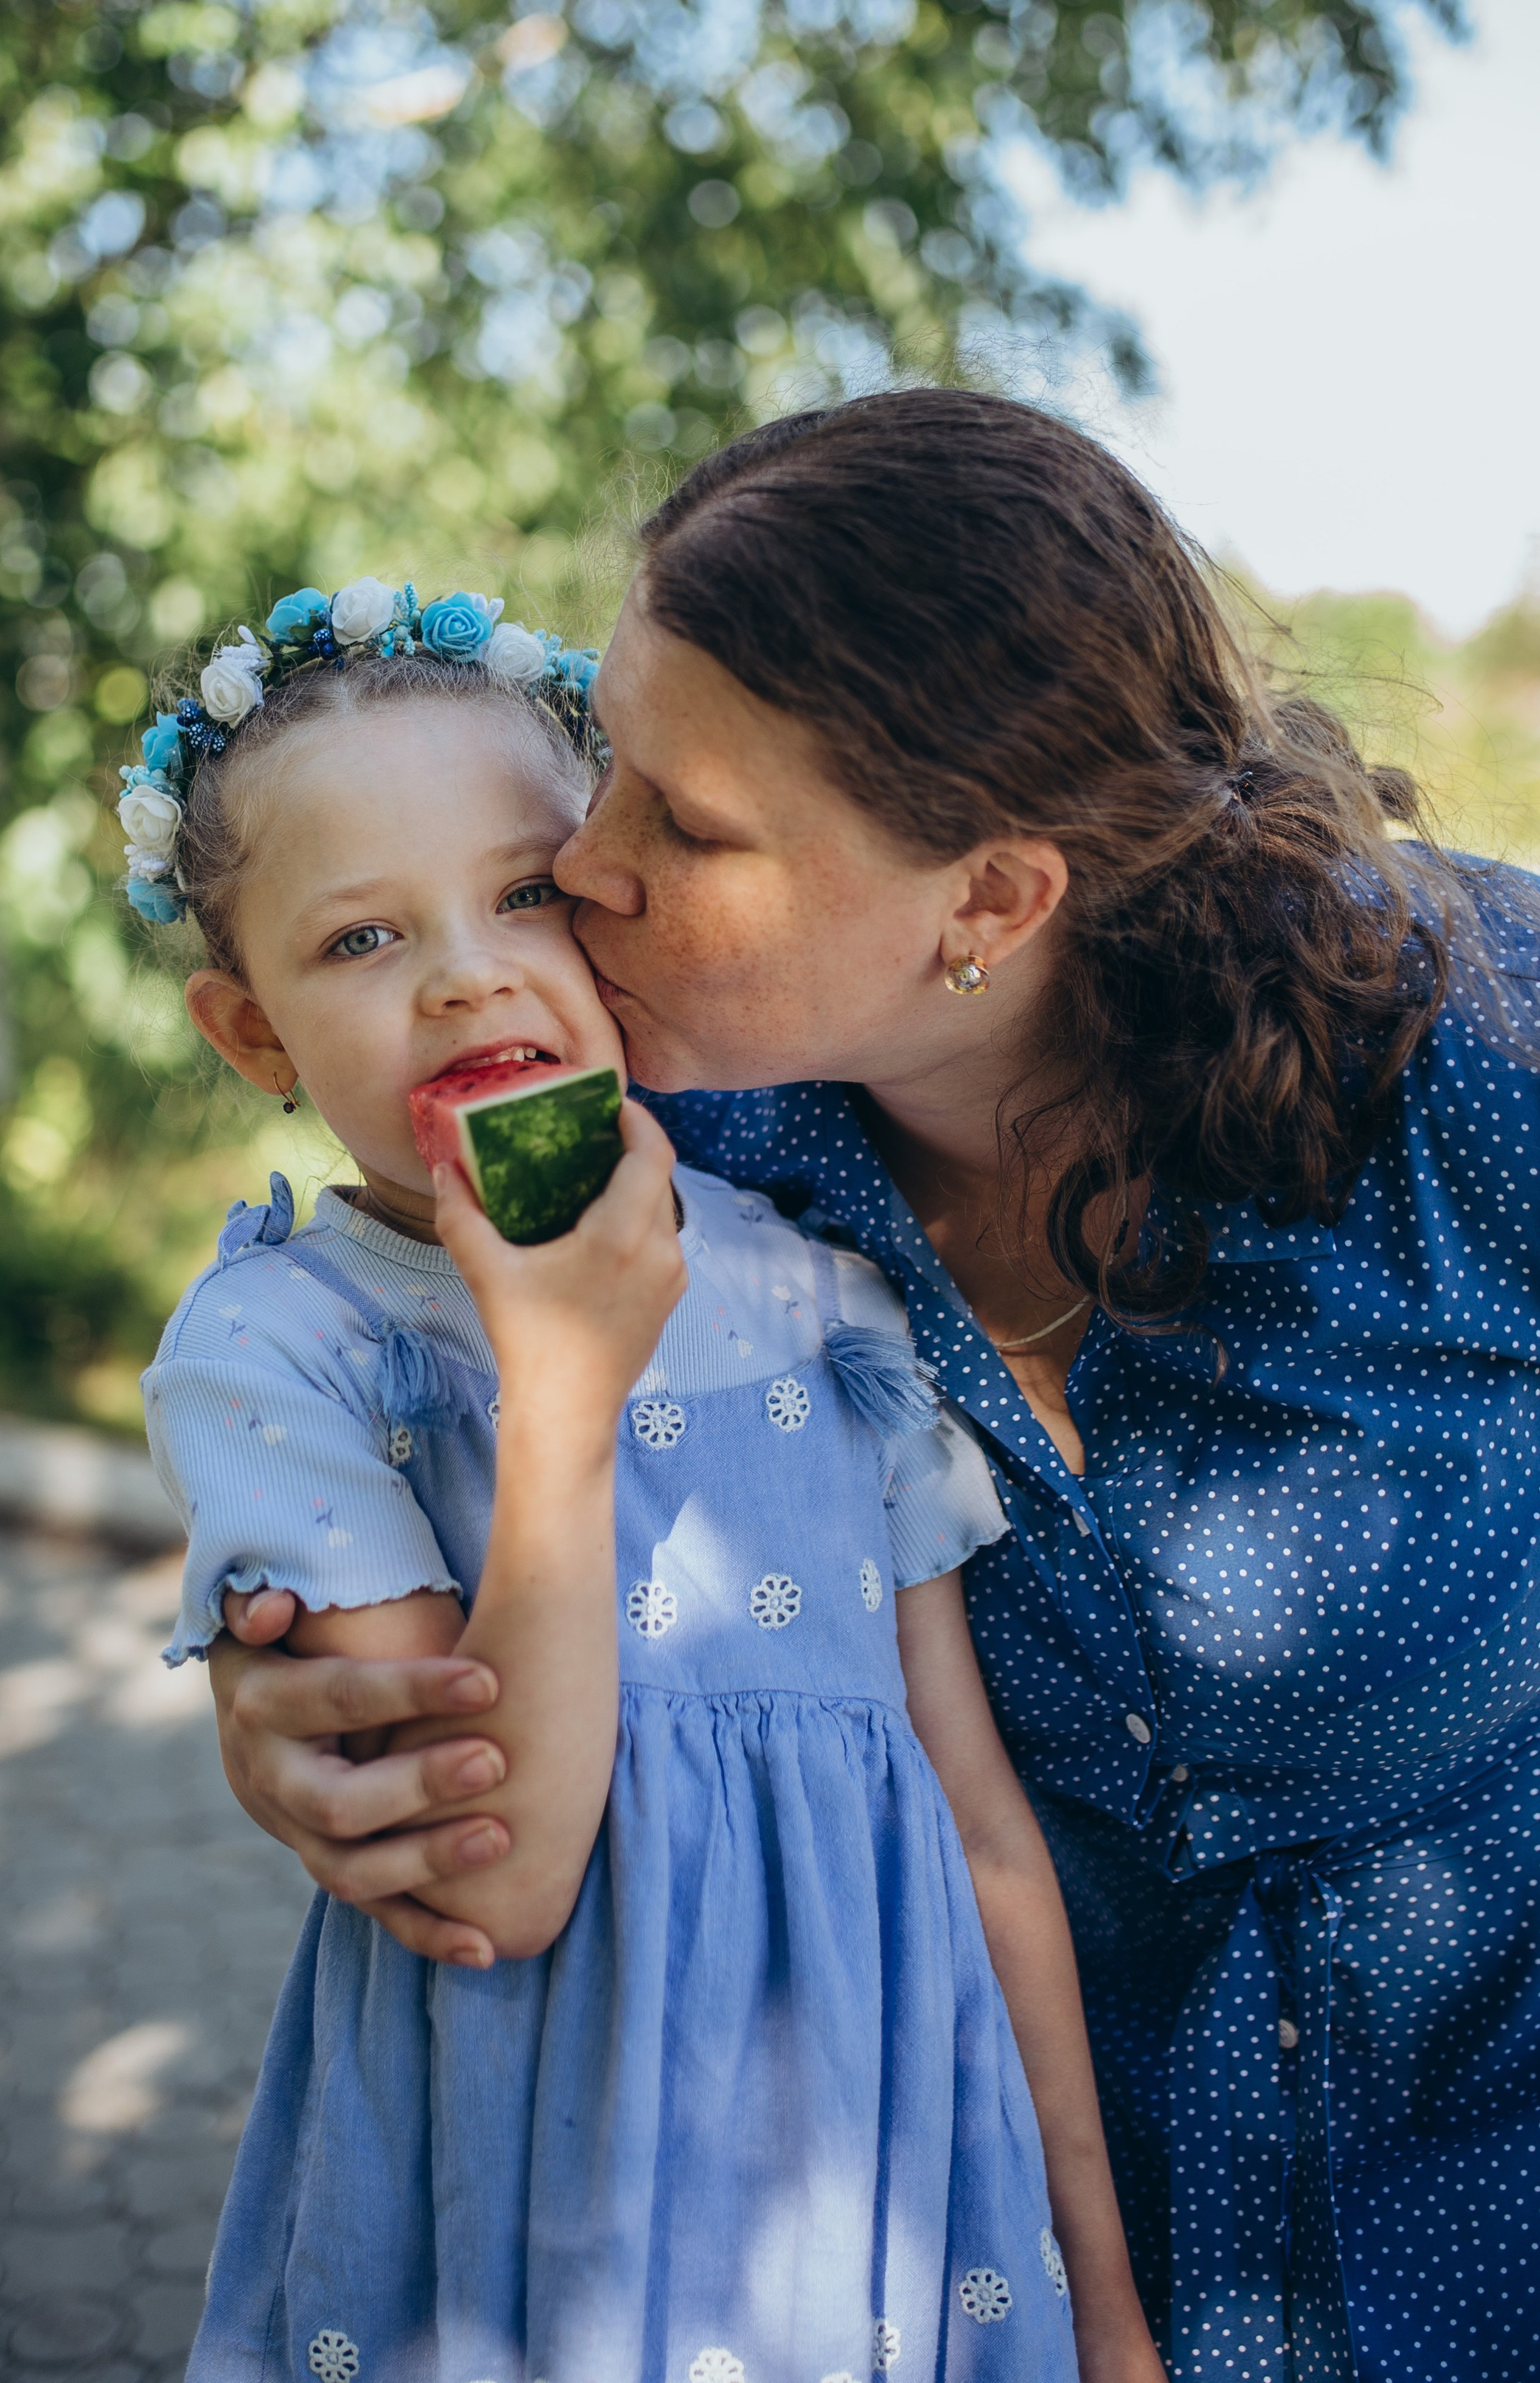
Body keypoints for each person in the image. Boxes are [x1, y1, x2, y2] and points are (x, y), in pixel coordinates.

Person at [206, 393, 1540, 2382]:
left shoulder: (1474, 1049)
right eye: (607, 762)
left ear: (988, 903)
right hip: (989, 2265)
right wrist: (297, 1689)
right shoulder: (661, 1176)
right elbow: (392, 1418)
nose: (582, 861)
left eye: (683, 823)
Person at [123, 578, 1162, 2379]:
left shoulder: (823, 1295)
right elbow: (496, 1879)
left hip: (875, 2196)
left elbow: (979, 1825)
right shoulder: (280, 1349)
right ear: (252, 1034)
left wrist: (1102, 2298)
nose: (466, 973)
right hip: (540, 2204)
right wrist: (560, 1391)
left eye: (523, 891)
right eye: (359, 938)